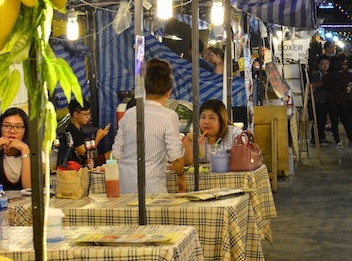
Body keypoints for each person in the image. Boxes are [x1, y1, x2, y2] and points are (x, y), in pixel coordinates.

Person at [112, 59, 191, 194]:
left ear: (144, 89)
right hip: (152, 186)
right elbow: (176, 158)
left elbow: (116, 153)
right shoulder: (168, 116)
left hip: (124, 186)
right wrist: (181, 176)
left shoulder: (129, 114)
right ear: (169, 91)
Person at [184, 99, 243, 163]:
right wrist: (187, 140)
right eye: (203, 117)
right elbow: (187, 163)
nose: (206, 122)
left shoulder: (235, 134)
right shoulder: (195, 134)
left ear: (221, 121)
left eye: (211, 118)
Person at [65, 99, 110, 167]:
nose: (88, 117)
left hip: (86, 164)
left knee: (113, 154)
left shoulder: (78, 129)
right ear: (76, 114)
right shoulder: (72, 131)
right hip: (79, 168)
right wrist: (98, 138)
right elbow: (84, 155)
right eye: (86, 114)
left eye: (89, 114)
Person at [324, 56, 352, 147]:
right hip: (343, 100)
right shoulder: (345, 74)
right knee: (346, 120)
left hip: (331, 101)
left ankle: (338, 141)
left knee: (334, 122)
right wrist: (349, 87)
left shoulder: (328, 76)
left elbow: (325, 87)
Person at [310, 55, 331, 145]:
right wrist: (326, 83)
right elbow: (314, 84)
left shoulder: (327, 74)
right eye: (322, 64)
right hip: (318, 101)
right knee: (318, 120)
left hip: (325, 100)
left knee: (322, 120)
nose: (325, 65)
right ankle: (316, 138)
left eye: (326, 63)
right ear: (318, 65)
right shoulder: (318, 74)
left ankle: (321, 137)